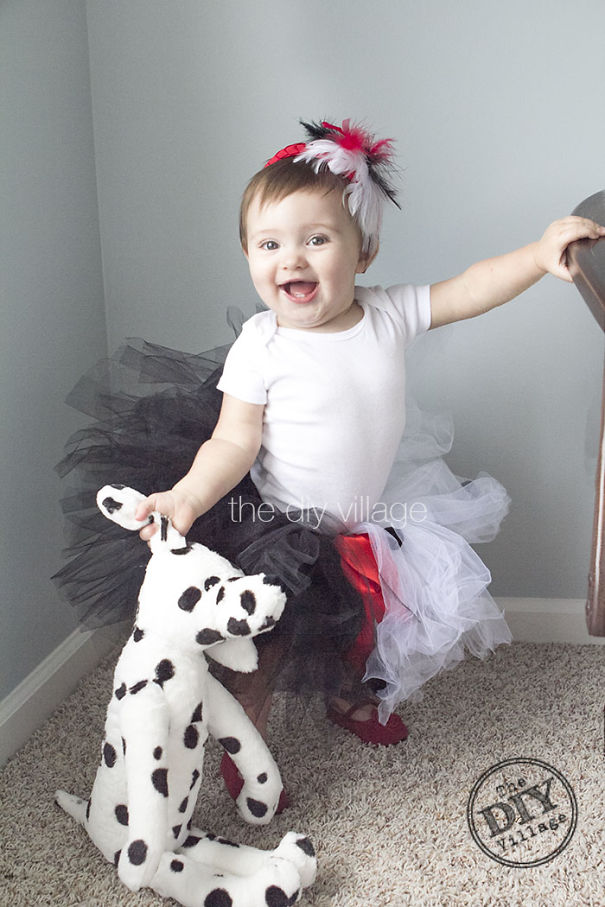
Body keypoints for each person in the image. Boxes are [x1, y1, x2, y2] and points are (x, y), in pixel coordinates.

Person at [54, 119, 605, 809]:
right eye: (269, 243)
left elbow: (467, 288)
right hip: (276, 528)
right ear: (248, 255)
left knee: (359, 628)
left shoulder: (388, 314)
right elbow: (231, 441)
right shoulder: (261, 345)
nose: (293, 258)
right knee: (266, 653)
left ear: (363, 251)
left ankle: (347, 701)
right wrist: (190, 497)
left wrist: (536, 254)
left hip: (364, 519)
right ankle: (245, 746)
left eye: (317, 239)